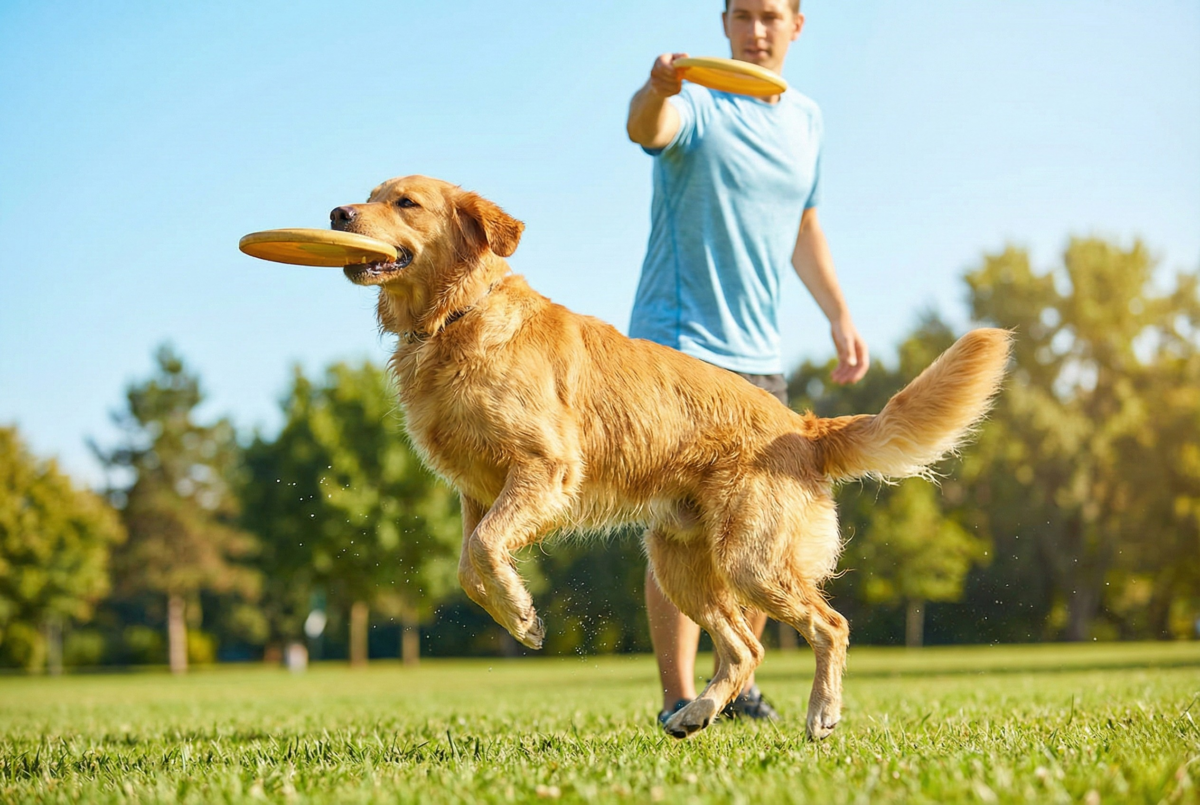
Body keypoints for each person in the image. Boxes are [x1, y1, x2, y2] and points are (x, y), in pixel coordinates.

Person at [625, 0, 870, 727]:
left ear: (797, 25)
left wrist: (838, 312)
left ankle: (737, 686)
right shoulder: (694, 103)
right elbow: (646, 128)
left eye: (771, 16)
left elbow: (803, 221)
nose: (756, 32)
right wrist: (657, 89)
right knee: (676, 530)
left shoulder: (807, 119)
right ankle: (676, 694)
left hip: (759, 354)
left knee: (760, 527)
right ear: (723, 22)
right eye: (742, 15)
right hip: (677, 349)